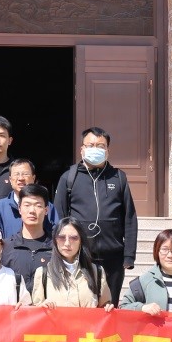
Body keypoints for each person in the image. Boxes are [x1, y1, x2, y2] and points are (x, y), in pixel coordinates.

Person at [53, 126, 138, 303]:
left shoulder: (118, 177)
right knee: (82, 303)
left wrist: (129, 255)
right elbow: (59, 217)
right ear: (82, 149)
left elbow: (129, 217)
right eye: (90, 145)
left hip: (112, 256)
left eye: (100, 146)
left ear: (107, 151)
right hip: (80, 255)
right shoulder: (69, 178)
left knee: (109, 305)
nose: (95, 149)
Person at [0, 184, 54, 289]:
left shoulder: (56, 247)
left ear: (46, 210)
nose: (32, 211)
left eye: (38, 205)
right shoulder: (6, 247)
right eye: (27, 205)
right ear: (19, 209)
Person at [0, 159, 56, 238]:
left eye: (25, 174)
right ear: (10, 180)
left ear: (33, 178)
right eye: (16, 174)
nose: (20, 178)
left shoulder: (46, 206)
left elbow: (56, 235)